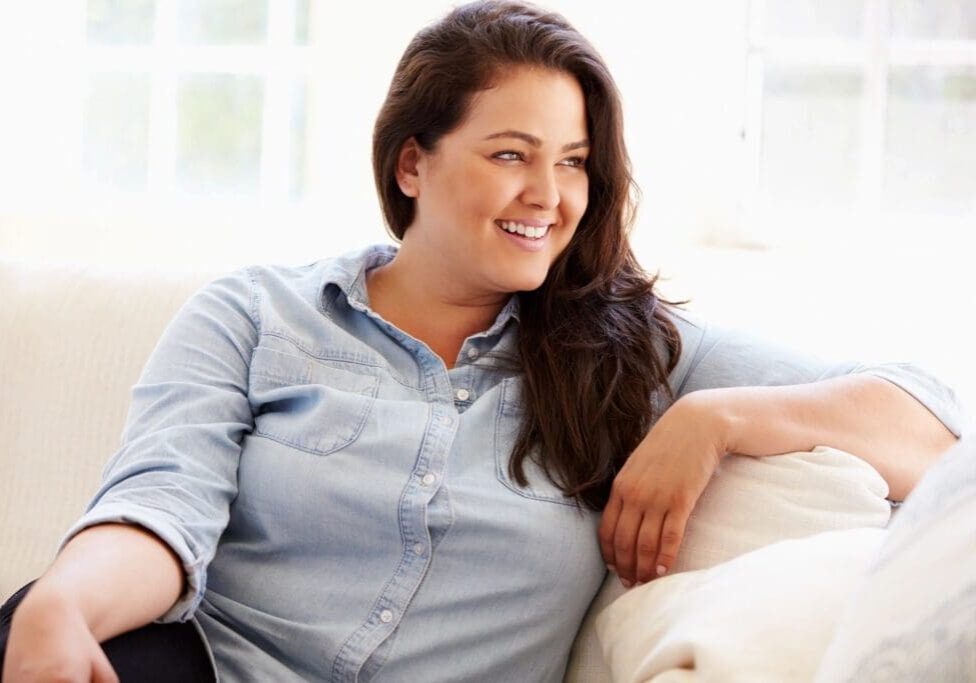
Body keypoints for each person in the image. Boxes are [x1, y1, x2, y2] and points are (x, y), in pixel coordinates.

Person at [1, 2, 963, 681]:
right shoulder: (255, 315)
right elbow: (161, 506)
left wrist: (715, 417)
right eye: (511, 154)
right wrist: (65, 602)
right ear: (412, 161)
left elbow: (931, 433)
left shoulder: (633, 351)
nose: (550, 194)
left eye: (575, 162)